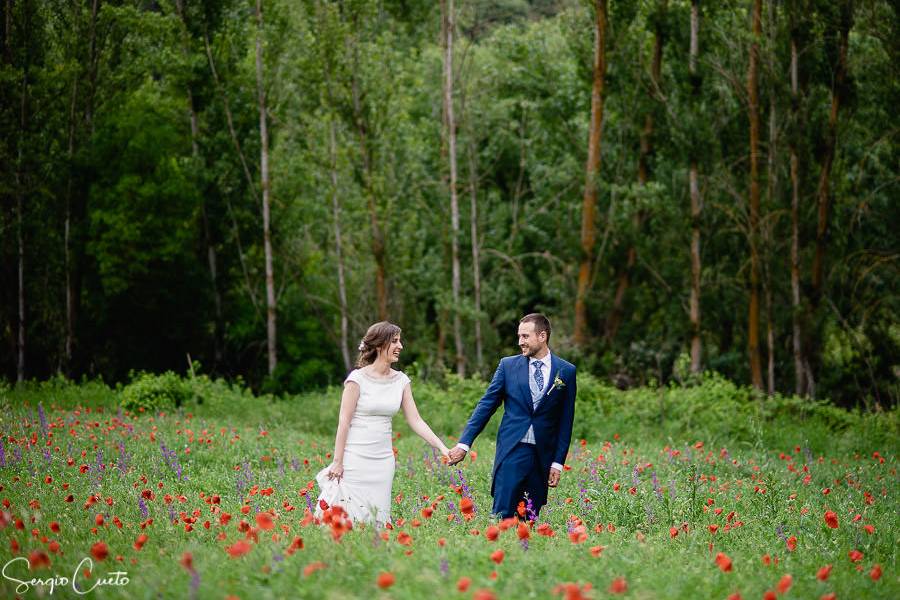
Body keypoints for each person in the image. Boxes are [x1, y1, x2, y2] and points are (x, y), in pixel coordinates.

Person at [316, 321, 450, 525]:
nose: (400, 346)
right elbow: (344, 422)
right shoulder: (357, 379)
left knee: (377, 520)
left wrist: (442, 447)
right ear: (379, 345)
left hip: (383, 462)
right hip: (354, 460)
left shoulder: (401, 381)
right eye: (395, 341)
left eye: (400, 341)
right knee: (346, 517)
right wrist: (337, 461)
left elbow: (415, 420)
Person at [447, 313, 576, 519]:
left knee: (530, 518)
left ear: (542, 336)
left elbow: (565, 421)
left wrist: (557, 462)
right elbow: (486, 406)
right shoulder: (507, 366)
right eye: (519, 336)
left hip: (542, 455)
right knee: (502, 515)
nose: (520, 342)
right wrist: (464, 444)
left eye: (525, 336)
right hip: (512, 451)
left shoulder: (566, 371)